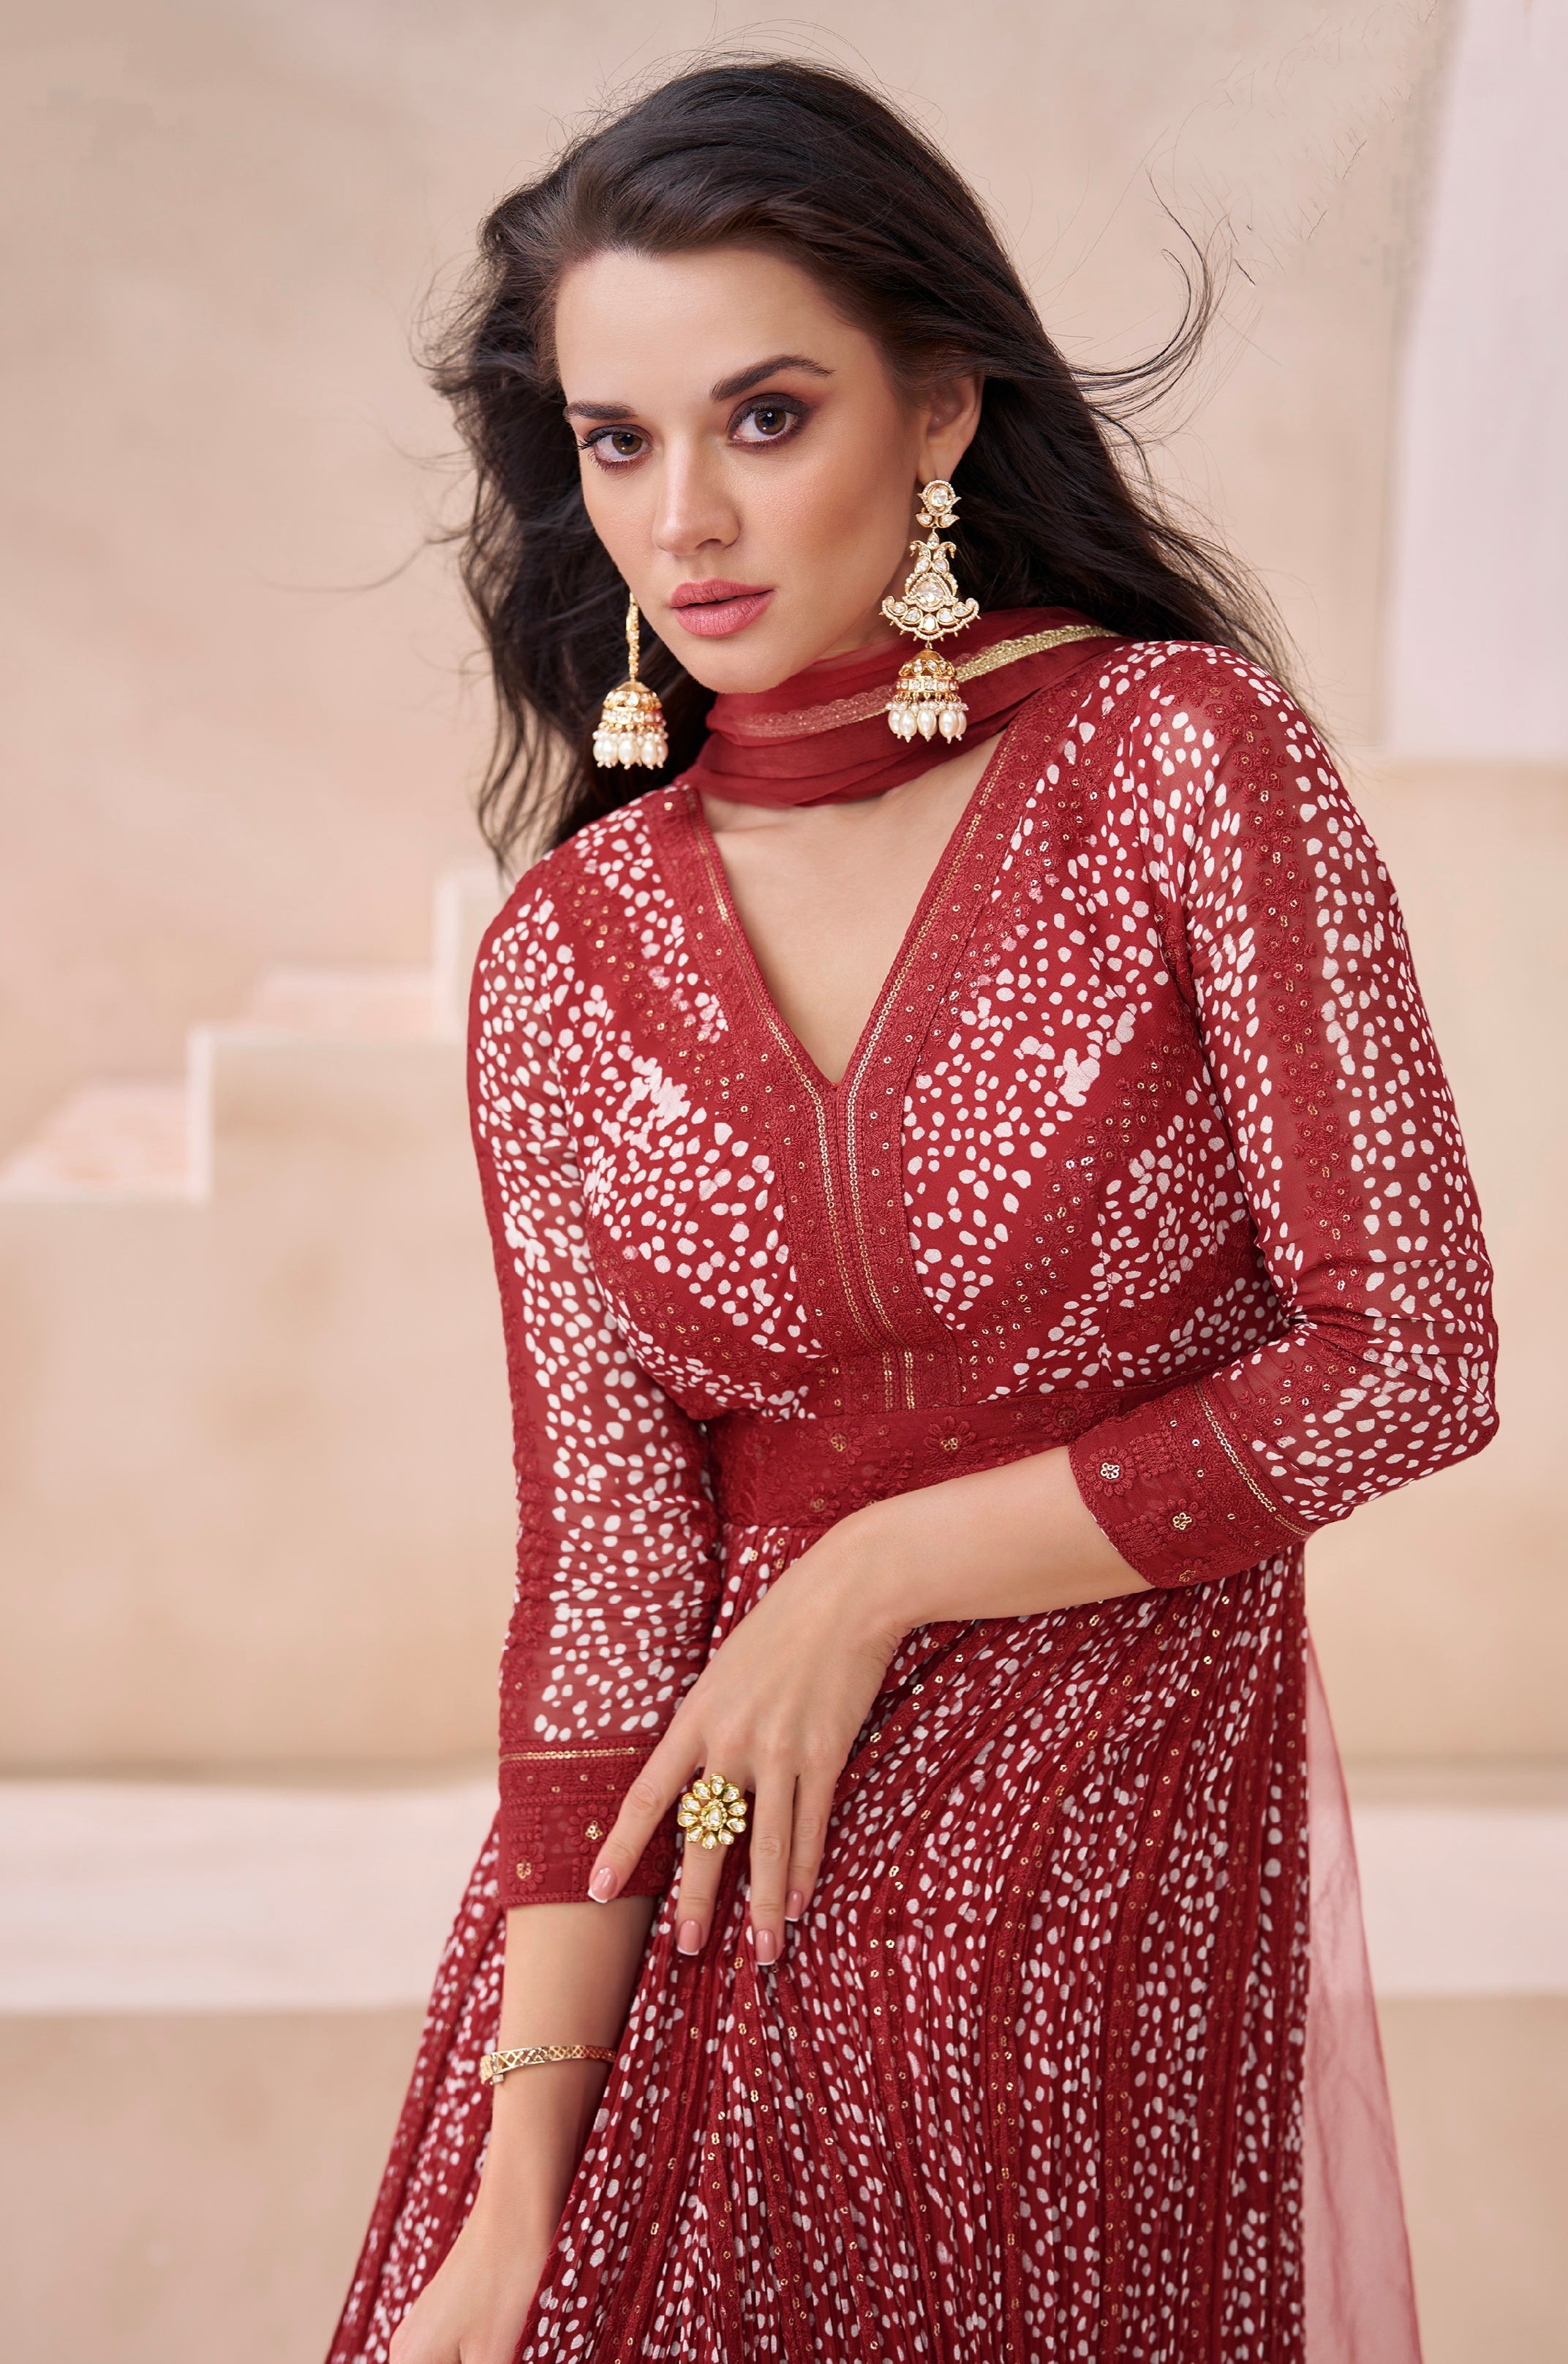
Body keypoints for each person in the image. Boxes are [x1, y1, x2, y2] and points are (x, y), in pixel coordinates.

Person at [328, 59, 1496, 2364]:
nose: (684, 520)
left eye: (766, 418)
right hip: (691, 1914)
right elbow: (610, 1594)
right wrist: (515, 2182)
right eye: (617, 441)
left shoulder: (1176, 763)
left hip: (1091, 1895)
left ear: (939, 409)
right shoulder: (571, 954)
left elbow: (1408, 1362)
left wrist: (875, 1574)